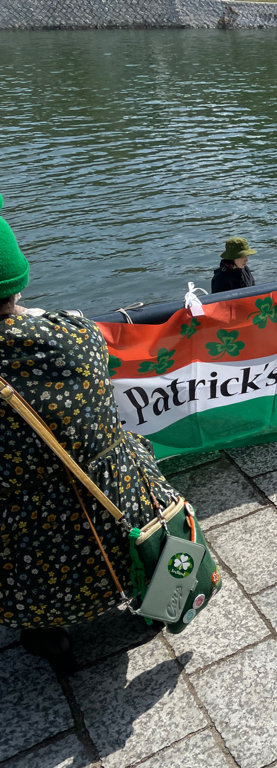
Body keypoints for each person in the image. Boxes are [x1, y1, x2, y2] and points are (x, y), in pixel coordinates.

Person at [0, 197, 180, 671]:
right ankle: (153, 594)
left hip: (25, 541)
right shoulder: (76, 337)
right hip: (113, 505)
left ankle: (47, 635)